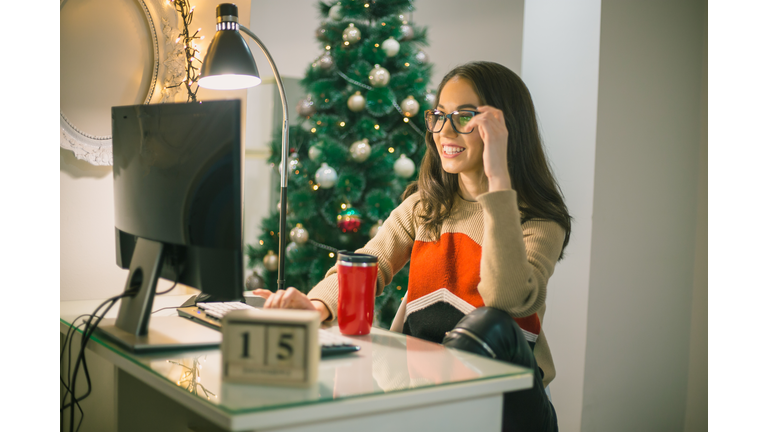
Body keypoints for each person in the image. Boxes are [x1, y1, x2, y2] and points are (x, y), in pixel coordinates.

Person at [254, 61, 571, 431]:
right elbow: (370, 263)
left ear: (502, 129)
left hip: (510, 406)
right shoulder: (423, 209)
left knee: (489, 321)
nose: (446, 130)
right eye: (439, 115)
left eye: (465, 116)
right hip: (429, 398)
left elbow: (505, 300)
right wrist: (316, 304)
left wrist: (498, 178)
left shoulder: (538, 220)